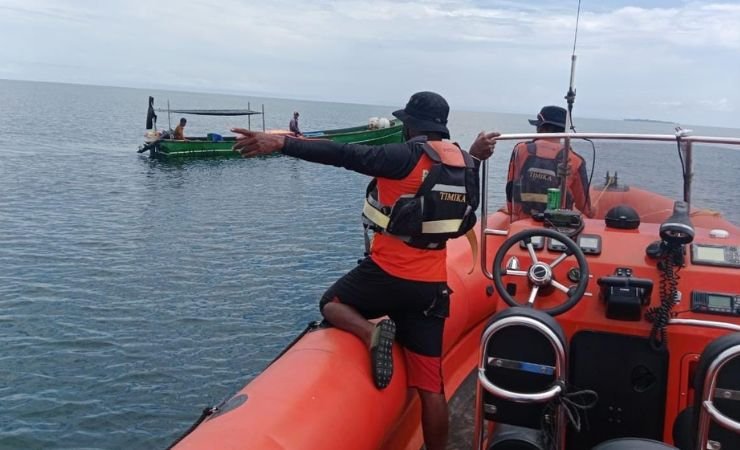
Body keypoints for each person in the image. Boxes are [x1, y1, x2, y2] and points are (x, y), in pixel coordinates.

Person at [232, 91, 499, 450]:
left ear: (410, 125)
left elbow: (342, 154)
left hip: (386, 276)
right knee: (432, 389)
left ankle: (370, 333)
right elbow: (468, 203)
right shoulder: (465, 163)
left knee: (330, 303)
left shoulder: (404, 156)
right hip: (432, 288)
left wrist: (281, 143)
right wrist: (477, 158)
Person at [505, 105, 591, 220]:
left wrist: (512, 214)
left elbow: (510, 188)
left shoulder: (520, 150)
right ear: (564, 130)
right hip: (559, 229)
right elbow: (585, 207)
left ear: (541, 127)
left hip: (522, 226)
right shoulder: (576, 160)